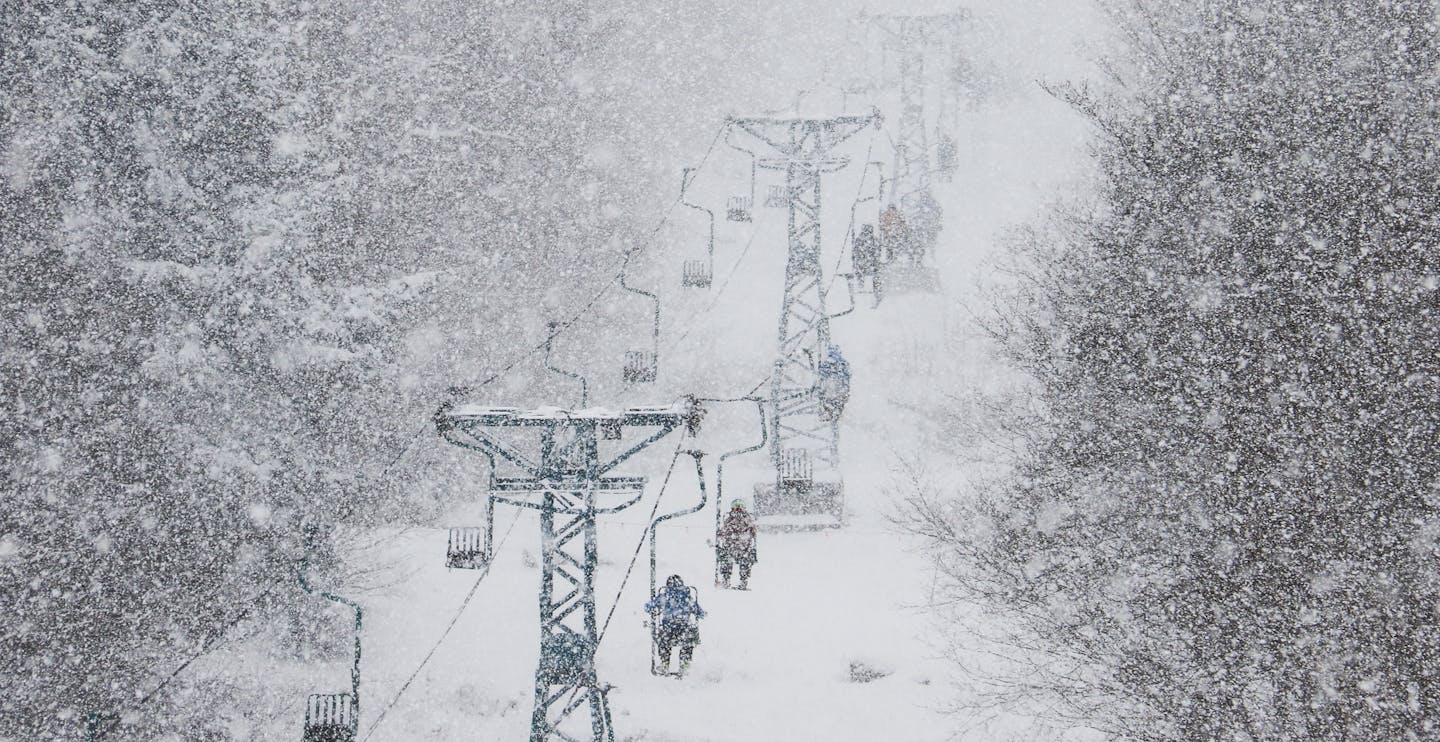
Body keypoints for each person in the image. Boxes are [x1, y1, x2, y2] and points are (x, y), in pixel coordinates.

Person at [644, 575, 705, 675]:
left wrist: (654, 609)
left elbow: (648, 607)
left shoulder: (663, 597)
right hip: (684, 629)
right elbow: (700, 613)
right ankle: (684, 664)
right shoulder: (688, 599)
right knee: (688, 641)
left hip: (668, 630)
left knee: (664, 641)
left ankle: (665, 663)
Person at [717, 500, 758, 589]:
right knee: (741, 561)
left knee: (726, 558)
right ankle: (741, 581)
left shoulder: (730, 519)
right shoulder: (748, 518)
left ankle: (727, 580)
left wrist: (722, 534)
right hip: (741, 548)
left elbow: (725, 532)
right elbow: (753, 533)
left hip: (735, 547)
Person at [816, 345, 851, 421]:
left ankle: (828, 414)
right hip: (840, 388)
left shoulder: (827, 362)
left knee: (829, 402)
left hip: (830, 387)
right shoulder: (843, 363)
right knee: (838, 403)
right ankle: (834, 415)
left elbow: (821, 375)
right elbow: (848, 376)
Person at [851, 224, 883, 306]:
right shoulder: (874, 241)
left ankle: (860, 283)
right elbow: (877, 254)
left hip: (861, 266)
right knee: (877, 274)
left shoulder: (858, 240)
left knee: (859, 269)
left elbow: (854, 254)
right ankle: (877, 291)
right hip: (871, 266)